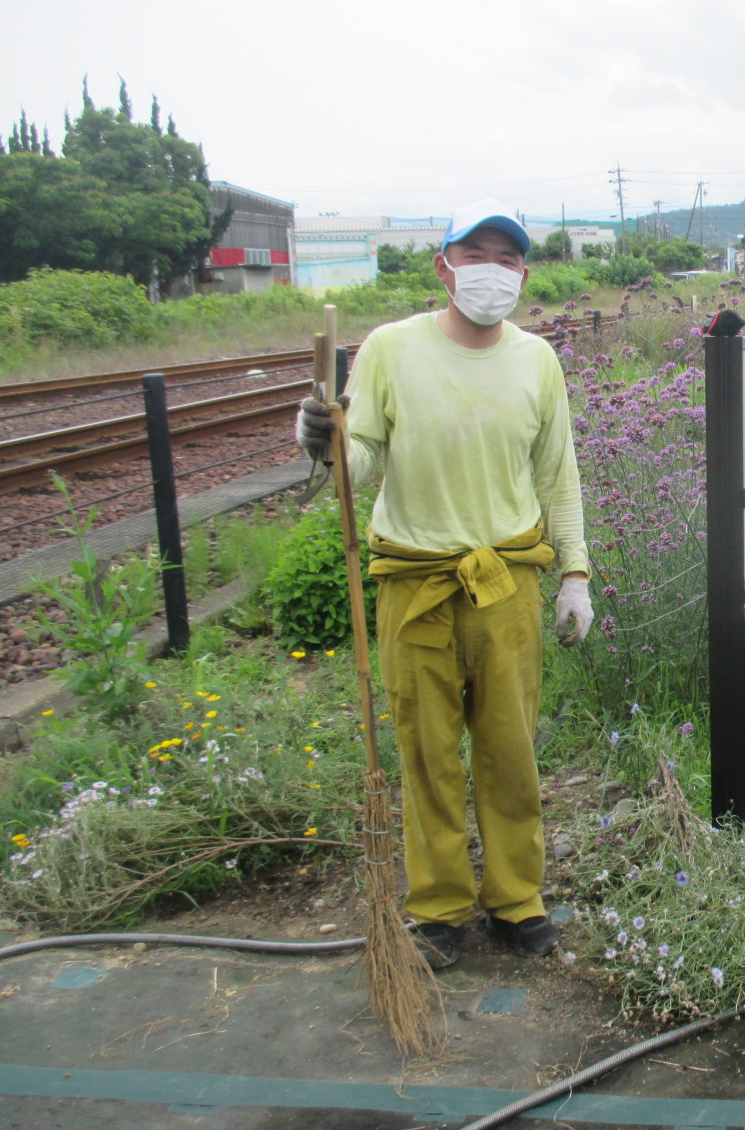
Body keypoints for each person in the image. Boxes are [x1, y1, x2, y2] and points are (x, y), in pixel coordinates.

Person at [297, 197, 593, 969]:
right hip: (415, 582)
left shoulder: (537, 361)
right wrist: (324, 444)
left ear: (524, 272)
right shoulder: (391, 351)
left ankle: (516, 897)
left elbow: (558, 476)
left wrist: (575, 576)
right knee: (425, 753)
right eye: (476, 255)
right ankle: (436, 908)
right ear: (444, 267)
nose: (492, 271)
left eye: (507, 258)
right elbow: (360, 465)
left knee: (509, 749)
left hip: (506, 584)